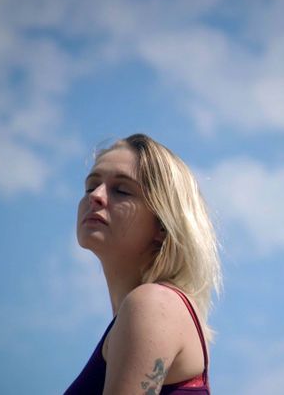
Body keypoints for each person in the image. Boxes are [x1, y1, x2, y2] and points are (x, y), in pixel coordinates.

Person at [65, 133, 221, 394]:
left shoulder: (155, 304)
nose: (96, 196)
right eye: (91, 187)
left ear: (162, 225)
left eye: (121, 190)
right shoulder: (147, 309)